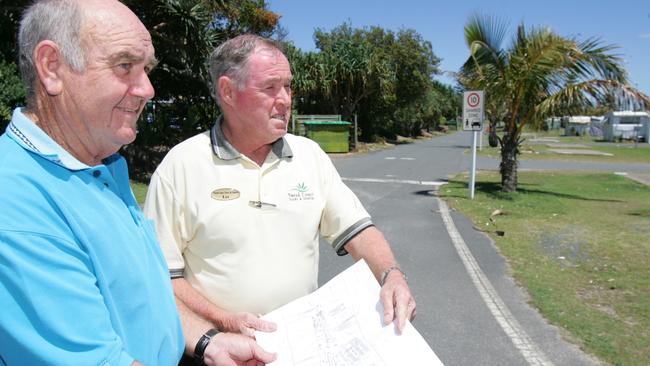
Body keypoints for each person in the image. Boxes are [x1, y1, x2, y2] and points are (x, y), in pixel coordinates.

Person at [0, 2, 275, 365]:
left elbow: (142, 299)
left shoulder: (100, 164)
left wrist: (209, 341)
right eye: (124, 65)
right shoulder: (17, 202)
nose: (147, 88)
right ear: (52, 67)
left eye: (146, 69)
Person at [143, 34, 417, 345]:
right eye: (270, 88)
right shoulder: (180, 167)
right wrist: (223, 321)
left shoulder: (310, 156)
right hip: (216, 347)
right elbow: (161, 276)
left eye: (287, 86)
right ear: (228, 91)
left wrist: (391, 274)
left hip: (300, 346)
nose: (285, 99)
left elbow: (358, 231)